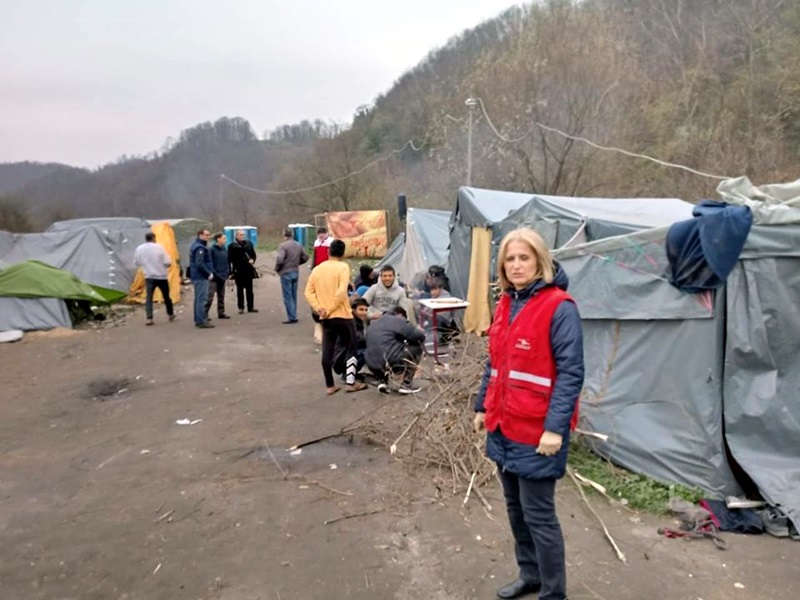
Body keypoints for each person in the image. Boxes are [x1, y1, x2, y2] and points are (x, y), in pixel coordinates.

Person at [473, 228, 584, 600]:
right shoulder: (506, 303)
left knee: (539, 515)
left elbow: (571, 373)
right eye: (510, 259)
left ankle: (553, 593)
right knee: (515, 509)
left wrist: (555, 429)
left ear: (541, 261)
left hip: (537, 432)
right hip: (503, 425)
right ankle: (530, 575)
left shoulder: (560, 307)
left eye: (524, 257)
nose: (516, 265)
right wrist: (482, 405)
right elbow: (495, 362)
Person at [304, 239, 367, 395]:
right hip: (343, 315)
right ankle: (351, 382)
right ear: (343, 253)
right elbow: (341, 292)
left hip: (325, 317)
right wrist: (331, 308)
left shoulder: (317, 269)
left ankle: (330, 385)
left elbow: (308, 292)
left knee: (327, 349)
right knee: (352, 347)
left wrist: (319, 308)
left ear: (328, 251)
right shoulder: (343, 267)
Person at [365, 306, 425, 394]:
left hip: (371, 363)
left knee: (381, 351)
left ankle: (382, 381)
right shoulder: (398, 320)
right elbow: (418, 337)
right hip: (391, 360)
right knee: (417, 347)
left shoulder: (374, 323)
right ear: (400, 315)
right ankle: (406, 384)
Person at [133, 232, 174, 326]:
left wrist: (146, 264)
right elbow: (167, 262)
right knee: (166, 296)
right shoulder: (159, 247)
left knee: (149, 297)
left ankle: (149, 318)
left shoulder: (139, 249)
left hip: (149, 276)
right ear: (154, 238)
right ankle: (170, 313)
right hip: (161, 276)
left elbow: (136, 262)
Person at [275, 228, 309, 324]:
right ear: (292, 234)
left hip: (285, 272)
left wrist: (277, 268)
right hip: (295, 271)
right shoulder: (298, 245)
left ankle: (292, 317)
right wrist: (298, 263)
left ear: (284, 235)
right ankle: (294, 314)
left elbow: (280, 259)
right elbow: (306, 257)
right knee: (293, 295)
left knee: (287, 295)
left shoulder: (283, 246)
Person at [333, 297, 369, 382]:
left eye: (366, 310)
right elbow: (357, 339)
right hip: (341, 358)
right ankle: (348, 374)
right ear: (354, 310)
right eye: (361, 310)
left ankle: (352, 373)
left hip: (342, 356)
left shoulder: (356, 320)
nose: (364, 312)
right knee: (368, 352)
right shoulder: (351, 323)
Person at [189, 228, 215, 329]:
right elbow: (199, 263)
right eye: (206, 235)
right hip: (201, 276)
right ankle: (202, 320)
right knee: (202, 299)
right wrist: (208, 273)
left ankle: (198, 319)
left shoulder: (196, 245)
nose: (208, 237)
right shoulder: (200, 248)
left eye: (209, 235)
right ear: (200, 235)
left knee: (198, 299)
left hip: (197, 276)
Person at [228, 229, 258, 314]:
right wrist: (230, 272)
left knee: (250, 290)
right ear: (236, 236)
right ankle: (241, 307)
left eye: (243, 235)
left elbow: (253, 254)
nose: (243, 236)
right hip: (238, 270)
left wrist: (252, 260)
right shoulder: (232, 246)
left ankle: (251, 307)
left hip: (248, 270)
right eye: (241, 235)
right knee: (240, 290)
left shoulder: (249, 244)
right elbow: (229, 260)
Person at [204, 232, 230, 321]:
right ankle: (204, 314)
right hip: (214, 277)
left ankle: (221, 312)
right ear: (218, 239)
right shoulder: (211, 250)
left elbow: (226, 262)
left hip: (223, 276)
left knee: (221, 296)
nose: (225, 240)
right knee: (210, 296)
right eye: (224, 238)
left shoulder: (224, 249)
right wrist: (214, 273)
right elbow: (210, 263)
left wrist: (227, 272)